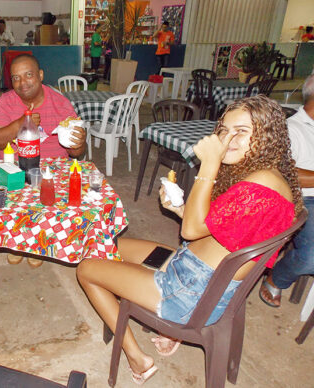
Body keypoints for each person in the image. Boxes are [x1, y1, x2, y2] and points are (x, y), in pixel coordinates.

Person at [76, 95, 303, 384]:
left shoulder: (260, 183)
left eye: (241, 131)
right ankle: (167, 330)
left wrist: (209, 164)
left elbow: (192, 231)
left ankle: (137, 358)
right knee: (109, 246)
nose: (227, 140)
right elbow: (212, 227)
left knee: (86, 268)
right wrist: (181, 209)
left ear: (267, 135)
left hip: (188, 292)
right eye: (224, 130)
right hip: (194, 271)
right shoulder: (267, 177)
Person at [0, 54, 87, 267]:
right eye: (16, 78)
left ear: (41, 75)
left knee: (52, 195)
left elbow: (76, 153)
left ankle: (37, 242)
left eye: (28, 75)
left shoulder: (60, 103)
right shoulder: (6, 101)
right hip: (16, 166)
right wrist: (20, 123)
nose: (22, 83)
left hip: (52, 168)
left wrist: (79, 142)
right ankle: (19, 241)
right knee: (12, 194)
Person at [259, 74, 314, 307]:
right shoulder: (293, 129)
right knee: (311, 256)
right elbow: (285, 173)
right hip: (305, 200)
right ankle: (276, 278)